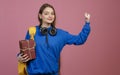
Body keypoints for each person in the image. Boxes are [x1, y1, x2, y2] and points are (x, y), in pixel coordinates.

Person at [17, 3, 91, 75]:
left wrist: (87, 24)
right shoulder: (32, 31)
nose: (50, 16)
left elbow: (80, 39)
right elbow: (25, 51)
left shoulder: (61, 34)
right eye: (46, 13)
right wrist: (19, 57)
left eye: (52, 14)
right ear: (40, 16)